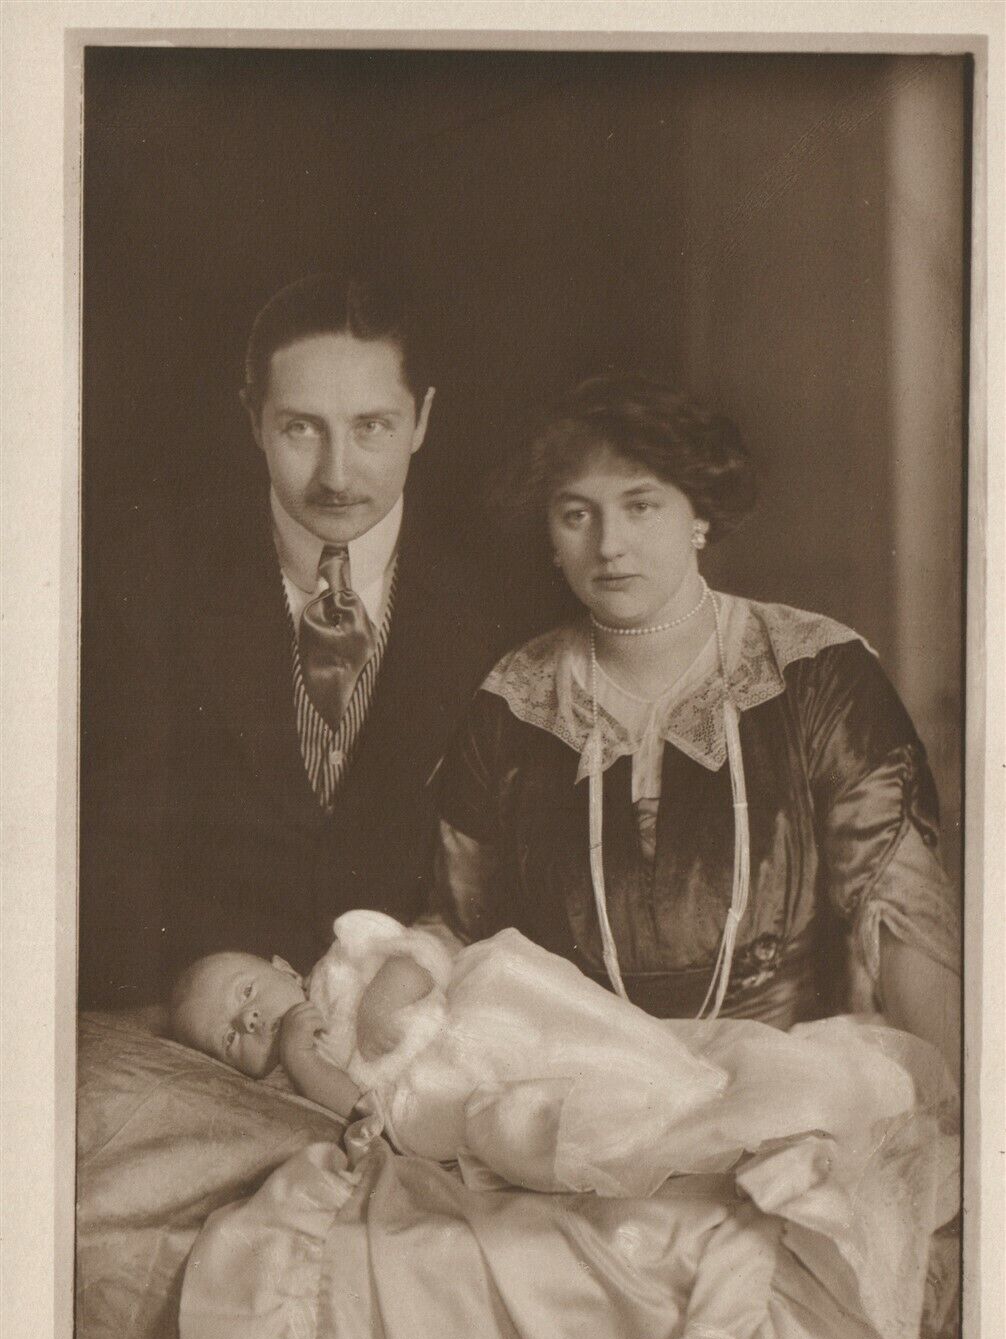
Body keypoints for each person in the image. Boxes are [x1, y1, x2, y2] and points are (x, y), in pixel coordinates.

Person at [431, 372, 960, 1067]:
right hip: (575, 1078)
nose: (609, 544)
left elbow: (899, 914)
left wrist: (963, 1090)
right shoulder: (514, 700)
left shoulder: (817, 671)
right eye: (576, 514)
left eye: (641, 506)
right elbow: (456, 925)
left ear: (699, 514)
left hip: (787, 1075)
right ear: (551, 537)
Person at [79, 269, 507, 1006]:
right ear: (254, 420)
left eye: (372, 427)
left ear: (422, 421)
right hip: (201, 1015)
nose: (336, 475)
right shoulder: (149, 574)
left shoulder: (494, 596)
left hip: (417, 1014)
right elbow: (119, 848)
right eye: (301, 428)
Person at [168, 909, 948, 1200]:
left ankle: (716, 1101)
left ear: (281, 966)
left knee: (617, 1057)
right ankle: (689, 1140)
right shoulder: (297, 1082)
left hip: (488, 1024)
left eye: (245, 992)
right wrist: (302, 1058)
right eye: (230, 1036)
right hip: (448, 1101)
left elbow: (423, 949)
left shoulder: (343, 960)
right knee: (560, 1127)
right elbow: (357, 1108)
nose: (249, 1019)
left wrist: (380, 1000)